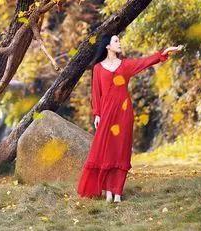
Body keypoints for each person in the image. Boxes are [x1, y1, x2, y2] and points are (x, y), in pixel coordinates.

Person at [76, 33, 183, 202]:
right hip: (107, 113)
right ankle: (107, 189)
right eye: (116, 41)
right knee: (105, 151)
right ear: (107, 46)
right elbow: (96, 93)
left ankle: (116, 191)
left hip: (124, 113)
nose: (120, 43)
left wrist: (165, 52)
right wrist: (97, 113)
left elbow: (145, 62)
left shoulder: (125, 65)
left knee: (121, 150)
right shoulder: (97, 68)